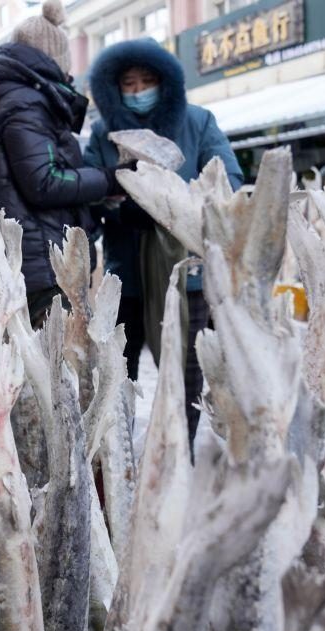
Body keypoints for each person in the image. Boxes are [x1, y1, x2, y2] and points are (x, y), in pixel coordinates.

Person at [84, 38, 244, 447]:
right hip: (125, 276)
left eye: (147, 80)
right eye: (129, 83)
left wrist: (171, 203)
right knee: (117, 377)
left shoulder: (198, 122)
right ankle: (117, 463)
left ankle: (178, 463)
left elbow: (229, 184)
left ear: (166, 82)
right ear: (113, 88)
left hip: (186, 276)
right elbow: (87, 194)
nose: (138, 91)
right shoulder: (103, 133)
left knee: (184, 381)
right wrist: (116, 210)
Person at [0, 0, 130, 326]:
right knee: (57, 370)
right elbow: (44, 182)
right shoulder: (25, 104)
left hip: (27, 265)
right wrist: (111, 179)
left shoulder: (4, 102)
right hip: (43, 270)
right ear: (53, 59)